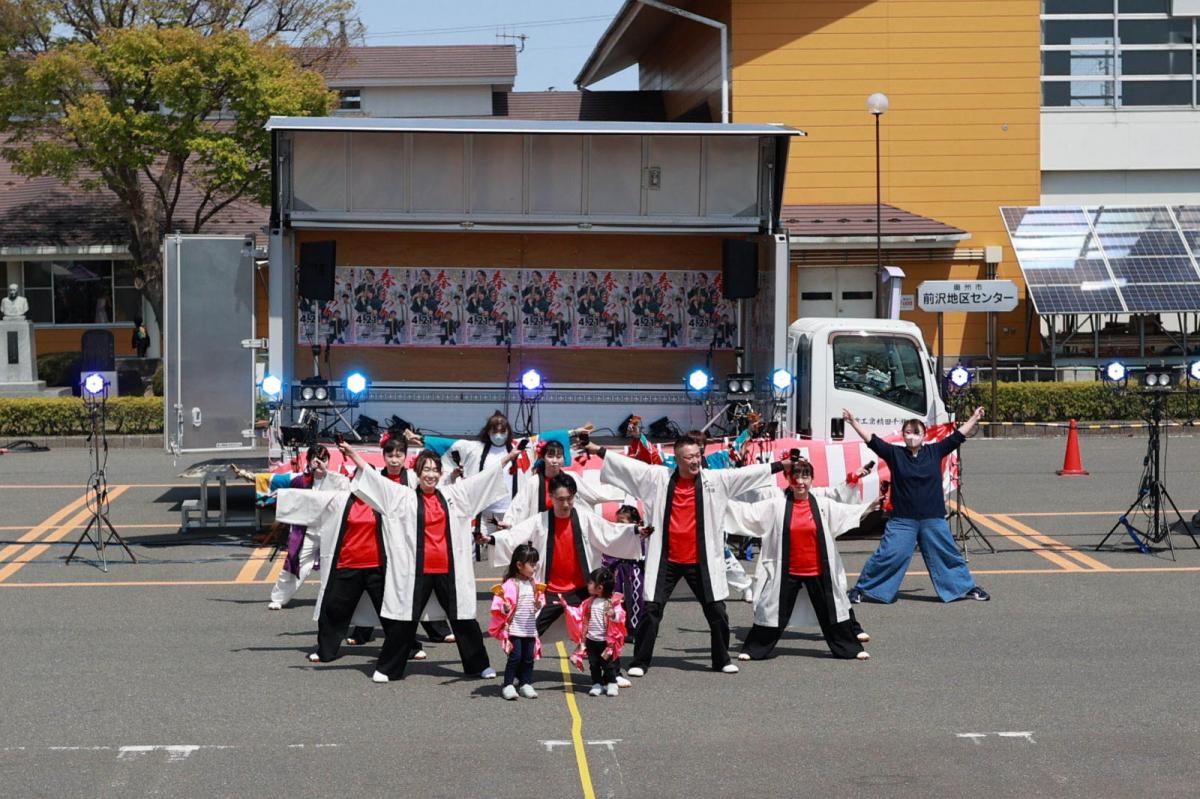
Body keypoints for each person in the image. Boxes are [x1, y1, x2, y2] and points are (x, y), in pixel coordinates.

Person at [583, 437, 794, 676]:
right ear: (678, 459)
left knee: (717, 610)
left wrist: (781, 465)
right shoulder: (659, 478)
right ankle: (640, 662)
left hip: (701, 560)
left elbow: (747, 474)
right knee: (651, 610)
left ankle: (721, 660)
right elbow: (628, 466)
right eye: (689, 457)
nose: (695, 461)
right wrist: (596, 449)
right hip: (666, 559)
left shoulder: (715, 480)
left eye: (697, 455)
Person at [341, 442, 520, 683]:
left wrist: (507, 458)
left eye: (435, 470)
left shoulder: (453, 495)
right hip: (416, 571)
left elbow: (482, 480)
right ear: (417, 473)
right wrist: (353, 454)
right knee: (405, 620)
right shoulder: (403, 496)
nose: (431, 474)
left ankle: (479, 665)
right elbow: (375, 480)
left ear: (441, 473)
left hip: (448, 569)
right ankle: (388, 668)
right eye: (426, 469)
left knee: (463, 618)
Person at [724, 456, 877, 662]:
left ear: (812, 479)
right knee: (772, 610)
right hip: (787, 570)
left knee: (832, 609)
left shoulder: (822, 504)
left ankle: (849, 648)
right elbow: (748, 513)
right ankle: (754, 649)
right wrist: (718, 503)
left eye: (805, 477)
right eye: (796, 477)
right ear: (789, 479)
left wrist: (869, 507)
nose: (801, 482)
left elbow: (846, 512)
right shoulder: (776, 504)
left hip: (817, 569)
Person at [843, 407, 991, 604]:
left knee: (947, 554)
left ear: (924, 435)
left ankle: (966, 587)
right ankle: (862, 589)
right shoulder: (895, 453)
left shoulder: (935, 451)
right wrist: (853, 422)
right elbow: (873, 441)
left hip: (933, 518)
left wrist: (974, 418)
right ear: (903, 435)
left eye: (916, 432)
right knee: (889, 554)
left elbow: (957, 436)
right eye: (908, 432)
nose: (912, 436)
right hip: (902, 519)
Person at [488, 473, 646, 638]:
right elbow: (514, 536)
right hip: (549, 591)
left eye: (569, 498)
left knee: (597, 636)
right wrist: (491, 539)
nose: (565, 504)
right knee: (525, 633)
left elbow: (610, 532)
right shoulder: (539, 521)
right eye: (560, 499)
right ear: (551, 497)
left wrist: (635, 531)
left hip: (582, 590)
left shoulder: (585, 518)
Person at [344, 433, 454, 654]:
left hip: (410, 541)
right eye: (390, 455)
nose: (394, 460)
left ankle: (436, 630)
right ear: (383, 456)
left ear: (406, 456)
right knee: (377, 590)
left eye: (399, 455)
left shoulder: (413, 478)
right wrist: (352, 454)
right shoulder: (377, 477)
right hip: (381, 538)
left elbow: (436, 488)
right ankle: (363, 631)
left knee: (417, 591)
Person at [501, 440, 620, 527]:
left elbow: (594, 492)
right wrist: (508, 522)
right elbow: (519, 506)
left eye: (558, 456)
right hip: (543, 530)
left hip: (567, 528)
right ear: (543, 458)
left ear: (563, 459)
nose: (554, 461)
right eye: (550, 456)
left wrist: (623, 489)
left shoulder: (571, 478)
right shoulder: (534, 482)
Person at [489, 543, 546, 700]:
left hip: (530, 629)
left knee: (528, 657)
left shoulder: (534, 583)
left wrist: (538, 605)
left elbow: (540, 601)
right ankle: (508, 684)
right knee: (515, 657)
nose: (535, 567)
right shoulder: (509, 584)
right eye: (532, 564)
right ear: (519, 565)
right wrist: (505, 608)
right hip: (515, 628)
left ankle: (525, 683)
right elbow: (499, 605)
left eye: (535, 564)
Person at [560, 566, 627, 697]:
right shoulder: (590, 602)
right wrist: (567, 608)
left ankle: (611, 683)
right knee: (594, 664)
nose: (588, 585)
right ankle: (597, 684)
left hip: (606, 642)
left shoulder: (612, 602)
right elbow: (579, 613)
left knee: (608, 664)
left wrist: (614, 615)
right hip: (591, 640)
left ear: (600, 587)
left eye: (590, 583)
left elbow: (621, 616)